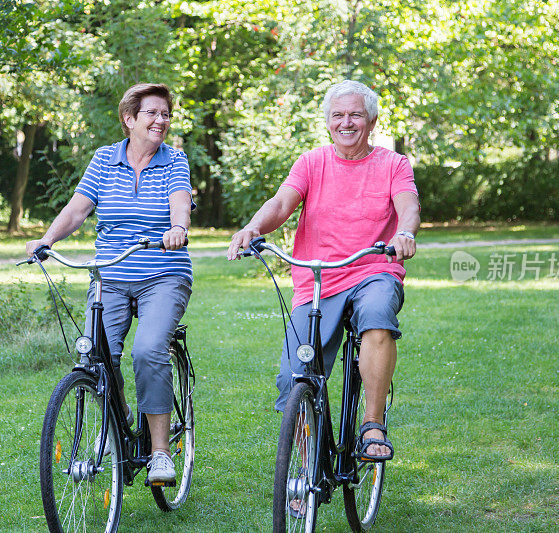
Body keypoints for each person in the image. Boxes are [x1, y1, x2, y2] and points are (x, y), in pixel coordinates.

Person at [227, 79, 420, 464]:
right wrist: (252, 227)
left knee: (378, 316)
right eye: (338, 115)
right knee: (293, 378)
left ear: (372, 120)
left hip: (373, 271)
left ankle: (372, 424)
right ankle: (305, 466)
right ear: (327, 122)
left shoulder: (393, 164)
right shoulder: (312, 162)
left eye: (355, 115)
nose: (346, 122)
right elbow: (281, 203)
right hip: (318, 279)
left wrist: (404, 232)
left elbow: (408, 204)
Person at [27, 83, 193, 482]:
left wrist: (177, 228)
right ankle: (115, 427)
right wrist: (47, 239)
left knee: (150, 349)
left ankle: (159, 452)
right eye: (152, 113)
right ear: (129, 119)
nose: (161, 120)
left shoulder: (175, 161)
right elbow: (77, 209)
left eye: (165, 114)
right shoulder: (104, 159)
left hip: (163, 272)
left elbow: (180, 202)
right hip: (110, 275)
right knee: (98, 355)